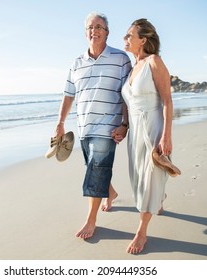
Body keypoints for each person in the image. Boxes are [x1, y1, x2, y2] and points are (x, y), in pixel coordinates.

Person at [53, 12, 132, 239]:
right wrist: (59, 123)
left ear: (107, 32)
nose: (94, 30)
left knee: (97, 169)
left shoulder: (120, 59)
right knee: (95, 167)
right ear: (85, 32)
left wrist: (125, 124)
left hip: (109, 126)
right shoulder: (76, 63)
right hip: (84, 126)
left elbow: (126, 95)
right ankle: (111, 192)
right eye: (90, 27)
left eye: (99, 27)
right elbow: (68, 95)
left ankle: (91, 220)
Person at [119, 18, 174, 254]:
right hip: (135, 132)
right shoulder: (132, 68)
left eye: (129, 35)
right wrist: (124, 126)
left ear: (143, 40)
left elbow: (167, 100)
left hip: (152, 127)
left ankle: (141, 232)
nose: (125, 39)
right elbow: (128, 104)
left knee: (150, 177)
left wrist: (166, 136)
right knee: (138, 177)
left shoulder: (154, 61)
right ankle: (158, 197)